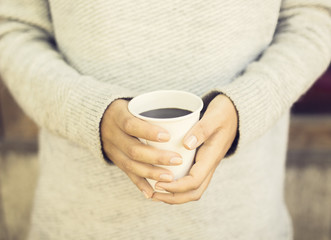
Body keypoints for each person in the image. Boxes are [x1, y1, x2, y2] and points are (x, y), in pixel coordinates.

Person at [0, 0, 330, 239]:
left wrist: (249, 103)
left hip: (241, 221)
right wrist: (88, 111)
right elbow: (12, 28)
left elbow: (314, 16)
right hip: (78, 224)